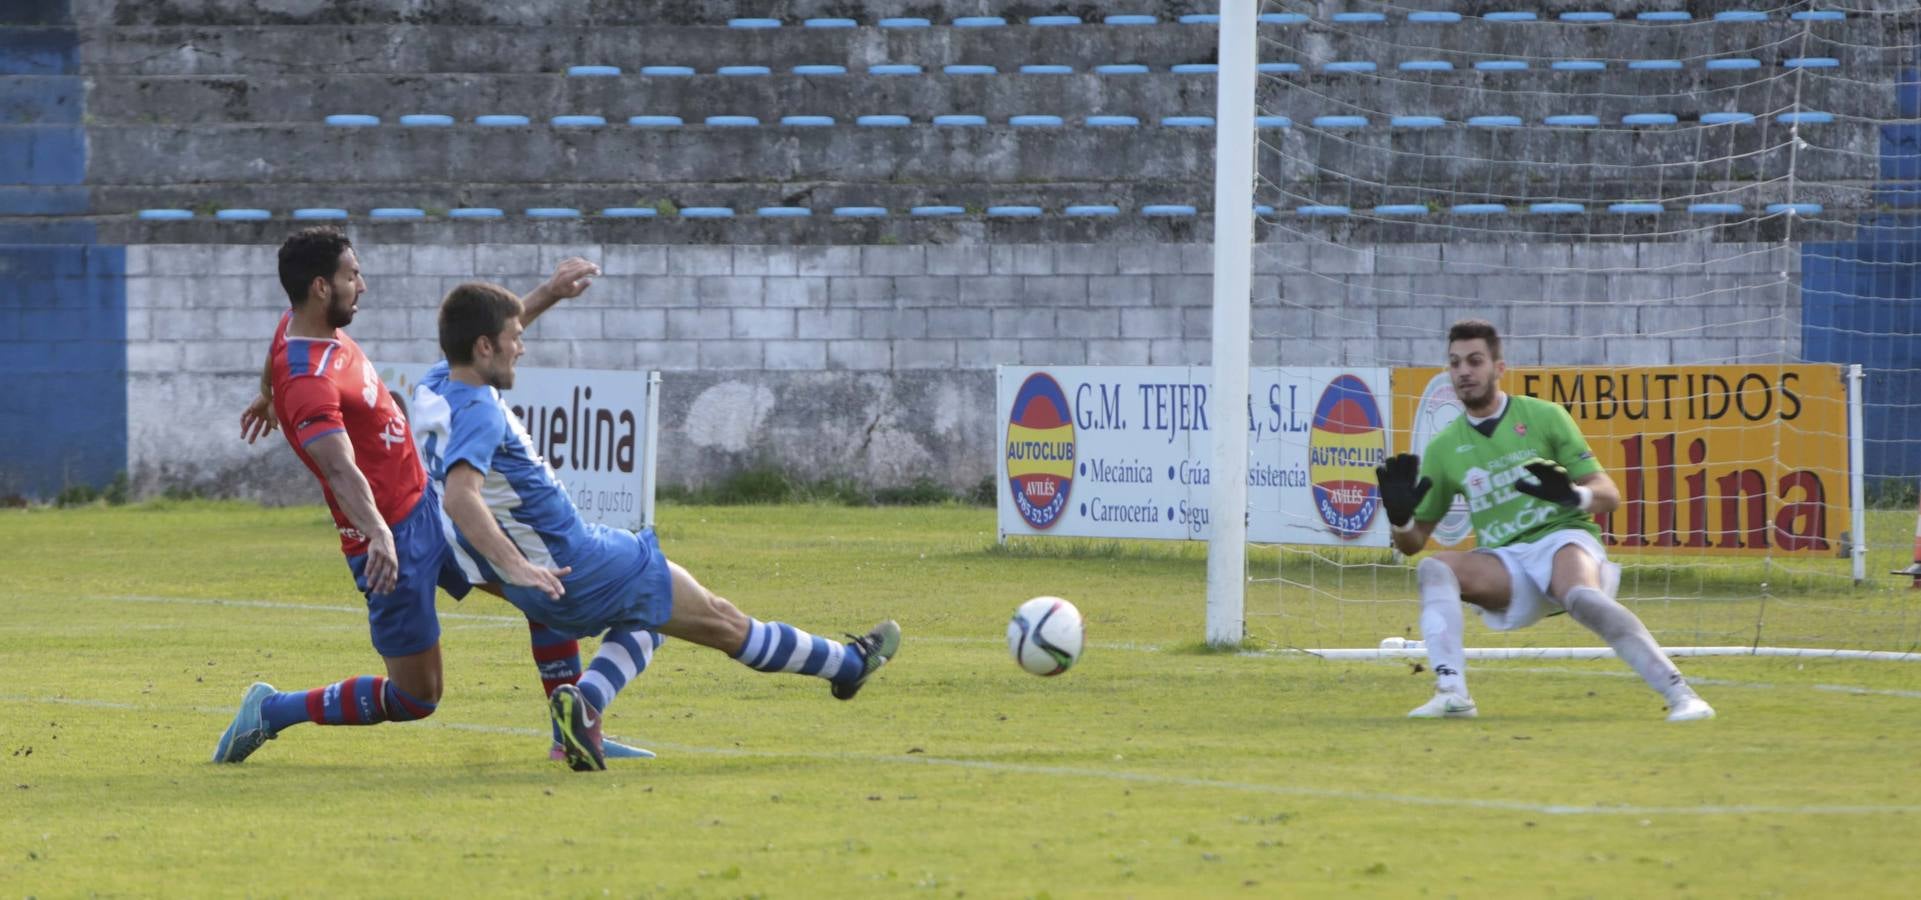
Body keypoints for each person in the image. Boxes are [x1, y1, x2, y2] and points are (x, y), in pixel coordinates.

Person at [413, 280, 901, 771]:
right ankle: (850, 665)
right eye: (513, 337)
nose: (521, 346)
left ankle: (585, 705)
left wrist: (551, 293)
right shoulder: (480, 413)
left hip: (539, 580)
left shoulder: (439, 385)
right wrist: (517, 565)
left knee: (651, 622)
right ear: (483, 346)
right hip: (578, 564)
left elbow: (485, 339)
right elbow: (460, 496)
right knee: (724, 620)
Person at [214, 227, 653, 763]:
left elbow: (278, 353)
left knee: (541, 591)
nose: (364, 285)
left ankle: (573, 736)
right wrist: (378, 533)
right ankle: (272, 710)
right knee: (416, 697)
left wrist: (264, 395)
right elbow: (339, 467)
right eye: (353, 275)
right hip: (390, 541)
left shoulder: (299, 328)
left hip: (429, 509)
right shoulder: (308, 379)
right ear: (320, 288)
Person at [1373, 319, 1715, 722]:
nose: (1464, 371)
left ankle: (1683, 695)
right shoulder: (1445, 448)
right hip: (1507, 565)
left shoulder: (1545, 416)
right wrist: (1399, 518)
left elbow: (1610, 496)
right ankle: (1452, 693)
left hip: (1563, 541)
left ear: (1499, 368)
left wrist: (1574, 496)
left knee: (1582, 596)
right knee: (1434, 568)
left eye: (1475, 361)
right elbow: (1413, 544)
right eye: (1455, 363)